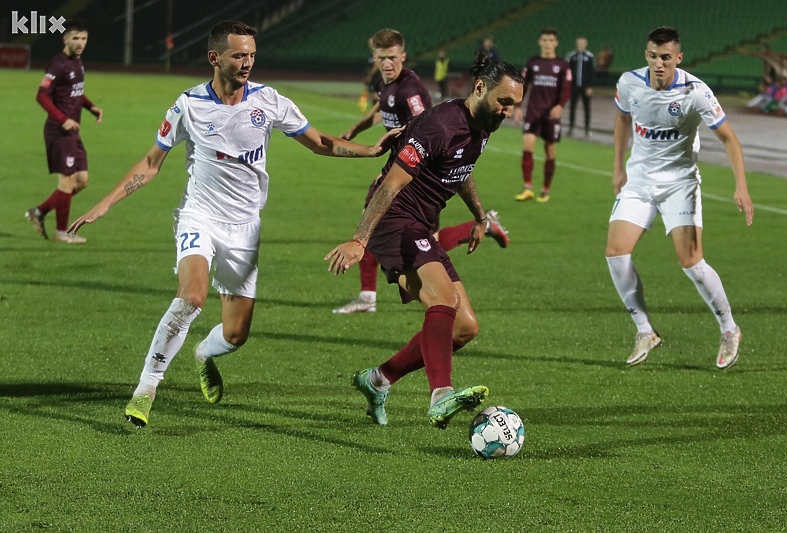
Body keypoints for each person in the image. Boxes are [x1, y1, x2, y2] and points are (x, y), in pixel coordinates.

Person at [67, 20, 399, 428]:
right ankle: (145, 389)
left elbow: (319, 142)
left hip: (245, 227)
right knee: (191, 296)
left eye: (252, 56)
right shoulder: (187, 105)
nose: (247, 63)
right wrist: (106, 203)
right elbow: (152, 162)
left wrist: (369, 151)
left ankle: (204, 354)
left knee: (236, 334)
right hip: (200, 216)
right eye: (239, 55)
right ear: (215, 58)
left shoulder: (269, 101)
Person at [325, 54, 524, 429]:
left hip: (420, 224)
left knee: (464, 328)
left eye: (514, 105)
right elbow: (390, 185)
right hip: (394, 220)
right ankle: (440, 395)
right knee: (443, 299)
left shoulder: (482, 124)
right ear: (480, 88)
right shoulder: (439, 124)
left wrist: (480, 216)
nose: (508, 112)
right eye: (505, 102)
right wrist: (359, 240)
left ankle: (378, 380)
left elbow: (460, 170)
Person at [606, 26, 754, 369]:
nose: (659, 63)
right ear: (647, 55)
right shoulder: (630, 83)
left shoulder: (695, 92)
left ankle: (730, 328)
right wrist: (617, 167)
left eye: (666, 58)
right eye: (654, 56)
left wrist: (741, 186)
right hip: (640, 182)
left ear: (678, 58)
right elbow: (622, 118)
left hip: (680, 183)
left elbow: (730, 139)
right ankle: (645, 330)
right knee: (616, 252)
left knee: (691, 261)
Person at [332, 29, 509, 315]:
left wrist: (396, 166)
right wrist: (357, 128)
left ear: (403, 56)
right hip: (403, 173)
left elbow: (424, 126)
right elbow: (383, 106)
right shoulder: (385, 83)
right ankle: (368, 296)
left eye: (392, 57)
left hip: (419, 180)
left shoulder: (411, 90)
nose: (387, 63)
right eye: (381, 58)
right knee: (384, 232)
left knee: (424, 246)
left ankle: (482, 227)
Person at [25, 19, 103, 244]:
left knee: (82, 181)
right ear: (65, 39)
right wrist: (63, 120)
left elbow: (75, 93)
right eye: (75, 38)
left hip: (72, 133)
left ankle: (39, 211)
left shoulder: (77, 62)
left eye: (84, 38)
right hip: (59, 132)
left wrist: (91, 107)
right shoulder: (58, 64)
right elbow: (41, 95)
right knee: (67, 183)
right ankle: (62, 232)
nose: (80, 43)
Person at [514, 27, 571, 203]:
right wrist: (517, 106)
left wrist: (560, 106)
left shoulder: (562, 65)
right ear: (540, 42)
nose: (547, 43)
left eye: (550, 40)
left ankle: (545, 189)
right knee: (527, 147)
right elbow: (522, 84)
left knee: (550, 152)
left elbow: (567, 89)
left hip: (551, 115)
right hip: (533, 112)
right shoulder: (533, 63)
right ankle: (528, 187)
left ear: (556, 43)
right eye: (544, 40)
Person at [565, 37, 596, 137]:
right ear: (576, 43)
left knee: (587, 108)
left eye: (583, 43)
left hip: (585, 87)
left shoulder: (589, 56)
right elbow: (567, 72)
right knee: (572, 107)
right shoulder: (571, 56)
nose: (581, 45)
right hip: (574, 87)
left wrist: (590, 86)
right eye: (579, 43)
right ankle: (571, 128)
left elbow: (592, 73)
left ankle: (587, 129)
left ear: (585, 44)